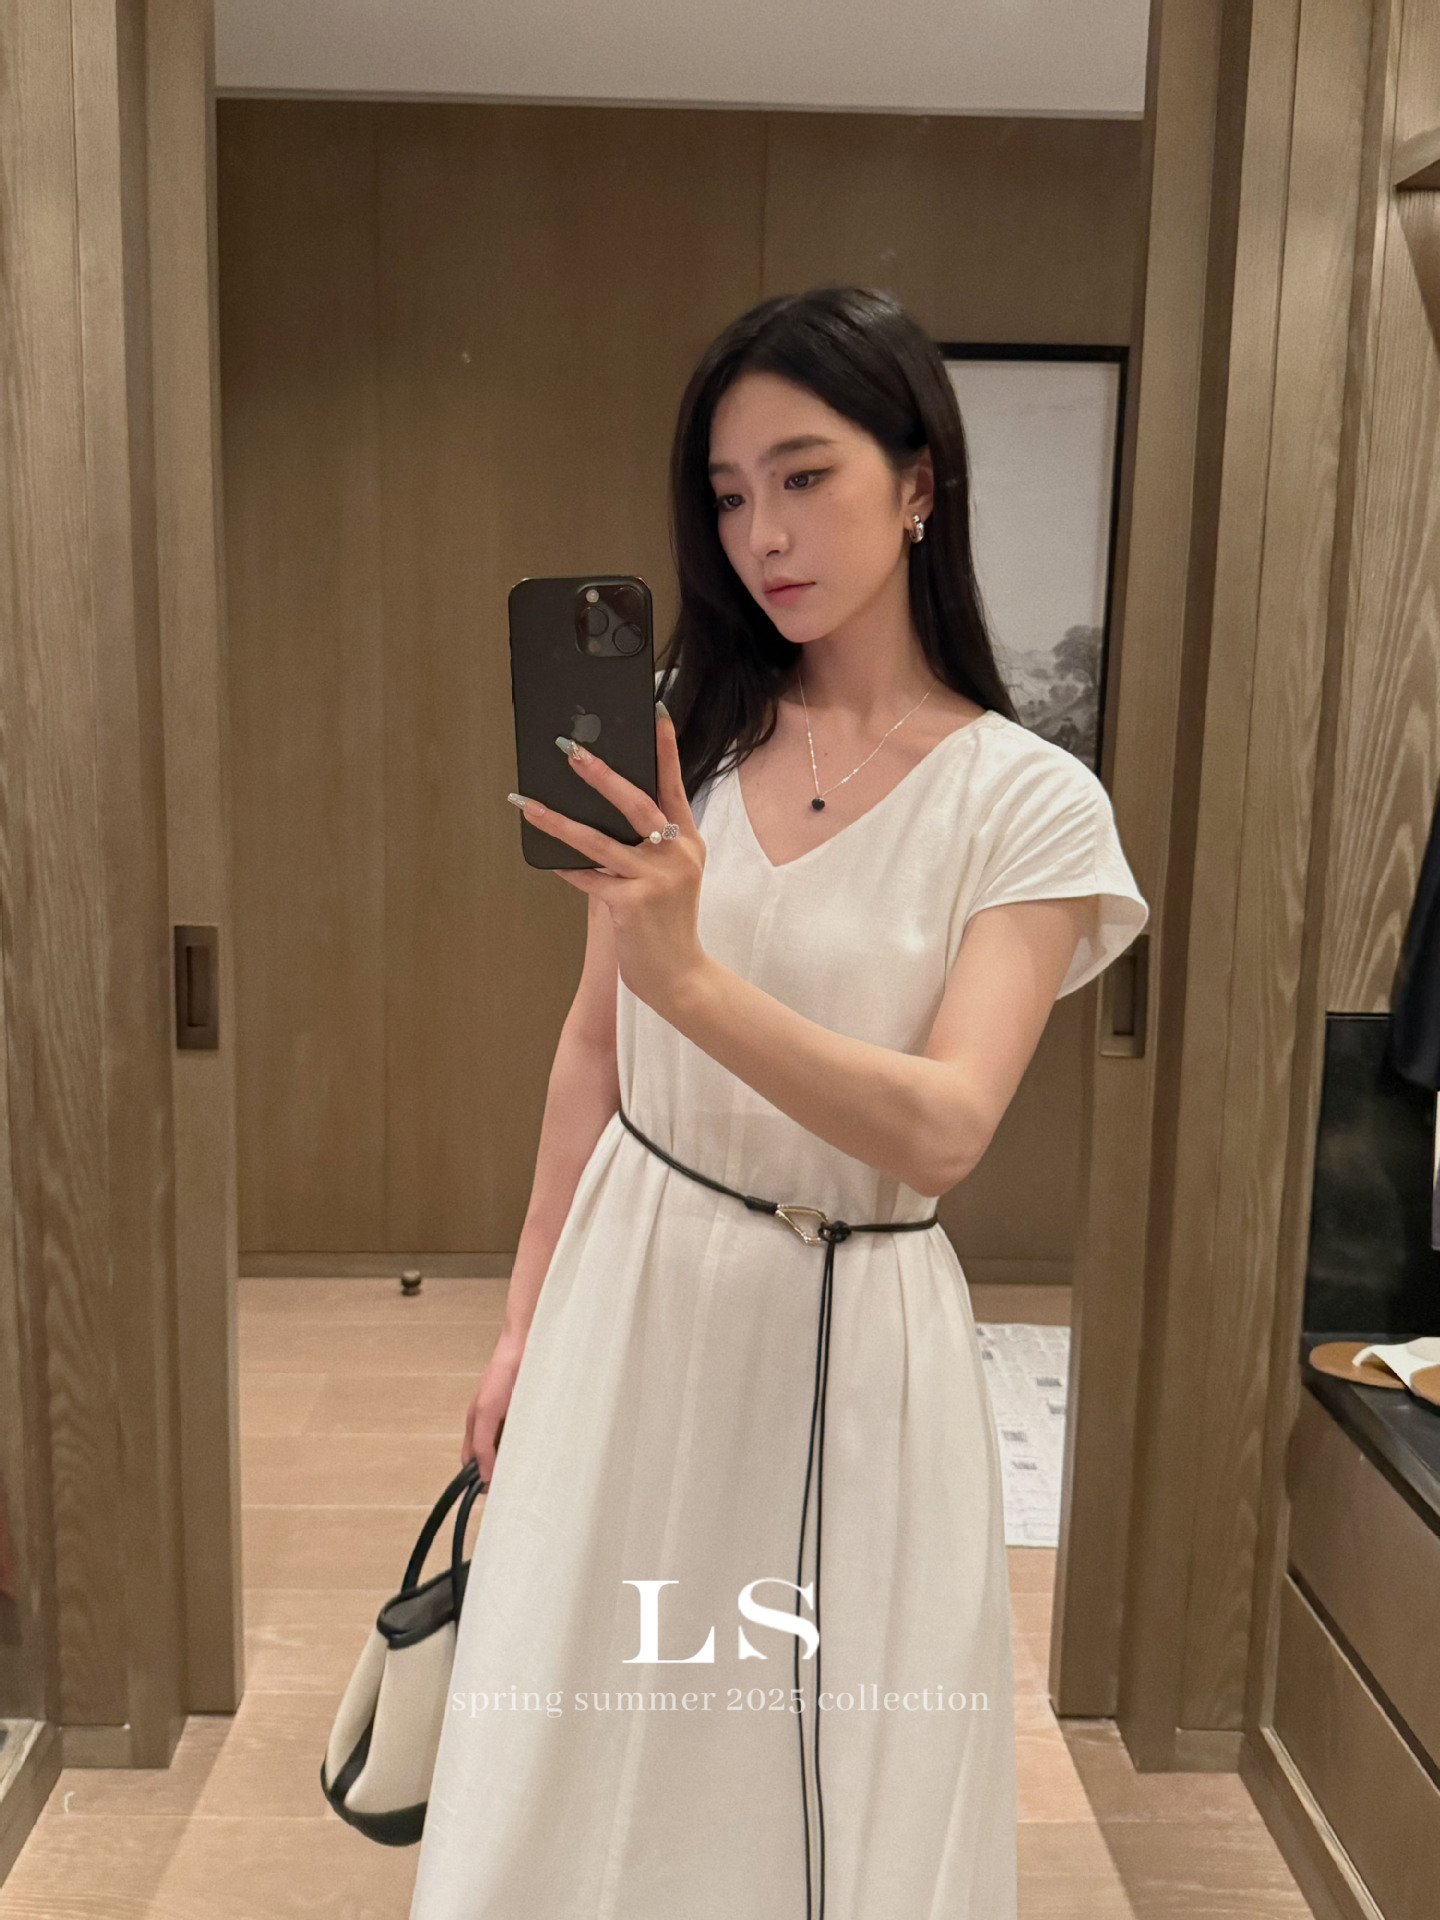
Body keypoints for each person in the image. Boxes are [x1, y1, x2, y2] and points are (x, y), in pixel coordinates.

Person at [408, 285, 1149, 1920]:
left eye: (806, 476)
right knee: (586, 1720)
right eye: (730, 494)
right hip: (634, 1282)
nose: (765, 534)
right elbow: (592, 1050)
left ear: (919, 482)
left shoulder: (1029, 804)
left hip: (855, 1327)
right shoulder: (687, 735)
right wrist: (523, 1323)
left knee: (821, 1752)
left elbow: (945, 1126)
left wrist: (692, 982)